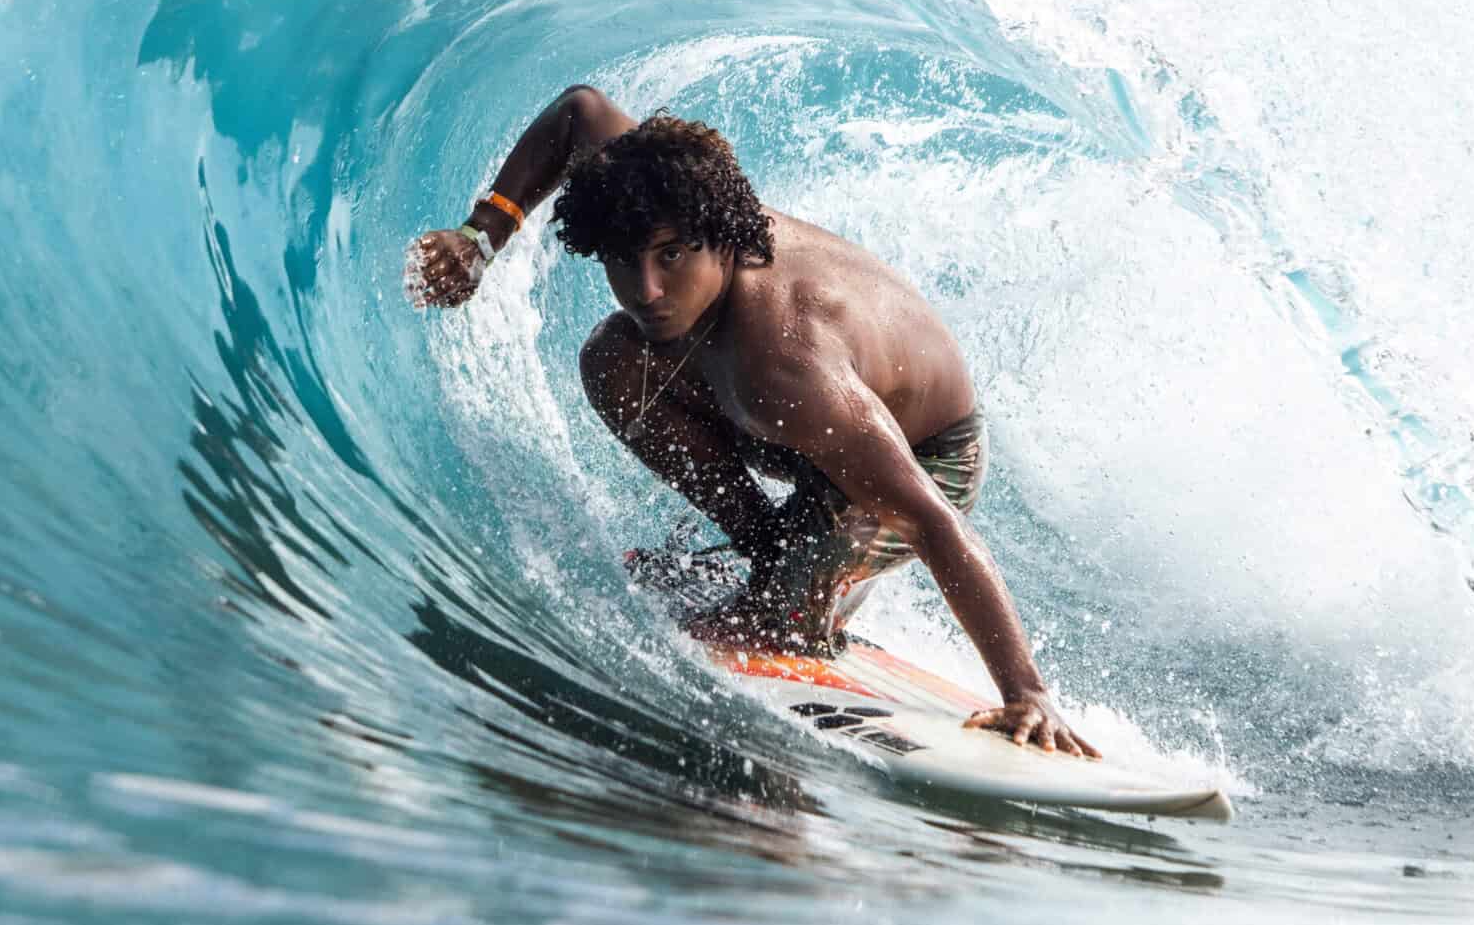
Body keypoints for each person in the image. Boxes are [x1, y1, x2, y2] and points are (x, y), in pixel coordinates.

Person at [407, 86, 1097, 757]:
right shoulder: (653, 188)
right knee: (615, 359)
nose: (646, 288)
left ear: (722, 238)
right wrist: (481, 236)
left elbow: (932, 522)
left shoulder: (788, 357)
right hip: (786, 427)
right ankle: (771, 553)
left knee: (776, 624)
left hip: (928, 457)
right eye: (623, 259)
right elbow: (578, 112)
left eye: (670, 255)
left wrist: (1026, 691)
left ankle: (800, 597)